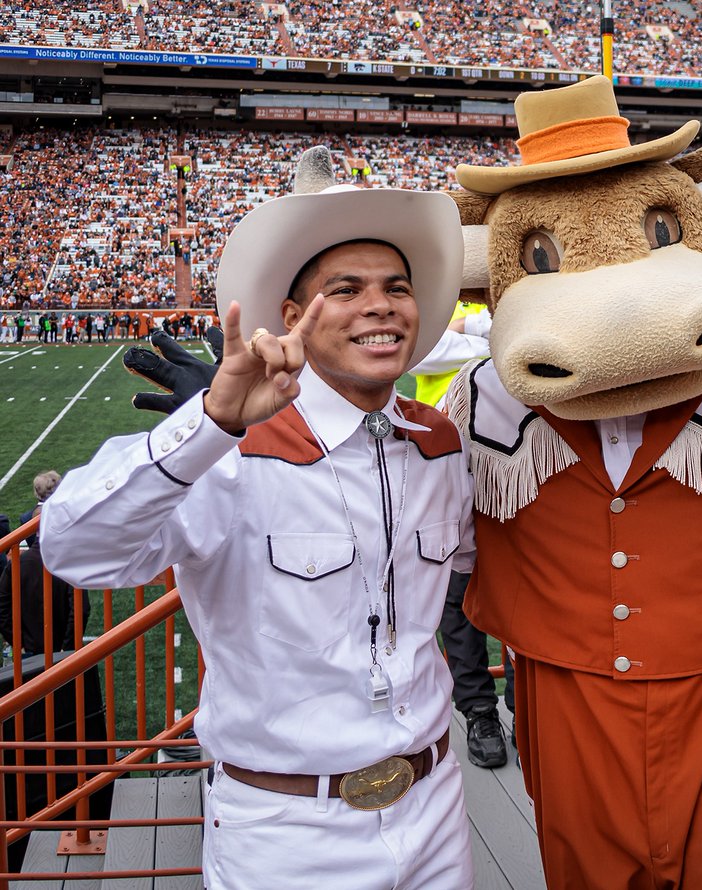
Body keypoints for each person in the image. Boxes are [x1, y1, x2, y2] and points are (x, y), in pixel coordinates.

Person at [40, 170, 475, 890]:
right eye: (347, 289)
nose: (381, 306)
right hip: (286, 828)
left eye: (397, 287)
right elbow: (72, 547)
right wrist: (207, 422)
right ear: (293, 313)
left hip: (434, 805)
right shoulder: (227, 452)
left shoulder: (439, 446)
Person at [411, 303, 510, 769]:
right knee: (457, 595)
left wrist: (468, 330)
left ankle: (523, 697)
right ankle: (479, 711)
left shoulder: (483, 304)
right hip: (448, 460)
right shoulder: (431, 297)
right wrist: (494, 335)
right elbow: (419, 349)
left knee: (527, 586)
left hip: (516, 461)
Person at [0, 505, 87, 655]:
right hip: (63, 653)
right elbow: (81, 608)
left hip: (29, 651)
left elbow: (2, 608)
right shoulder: (69, 561)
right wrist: (67, 646)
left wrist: (19, 643)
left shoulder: (16, 565)